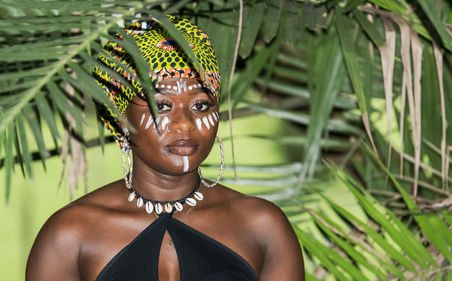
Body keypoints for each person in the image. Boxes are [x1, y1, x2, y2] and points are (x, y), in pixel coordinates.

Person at [26, 16, 304, 281]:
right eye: (162, 106)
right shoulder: (69, 235)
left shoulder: (263, 228)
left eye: (201, 105)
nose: (184, 124)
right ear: (120, 117)